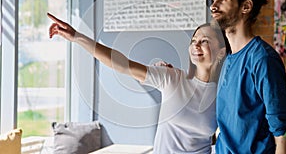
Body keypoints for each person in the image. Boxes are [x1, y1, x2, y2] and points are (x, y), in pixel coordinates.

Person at [48, 12, 227, 154]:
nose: (196, 46)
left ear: (221, 52)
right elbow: (121, 64)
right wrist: (77, 37)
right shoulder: (172, 78)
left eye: (204, 41)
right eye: (194, 40)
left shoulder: (224, 93)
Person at [210, 0, 286, 153]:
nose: (213, 6)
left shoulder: (263, 59)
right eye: (214, 0)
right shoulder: (228, 59)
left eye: (222, 0)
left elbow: (282, 134)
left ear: (246, 7)